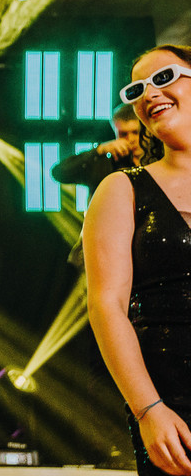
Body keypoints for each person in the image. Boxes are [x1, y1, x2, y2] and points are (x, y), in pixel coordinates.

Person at [85, 44, 191, 476]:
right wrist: (148, 409)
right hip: (175, 407)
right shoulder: (122, 189)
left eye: (163, 78)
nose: (149, 93)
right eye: (136, 89)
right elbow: (105, 306)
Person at [51, 103, 143, 190]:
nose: (130, 139)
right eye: (123, 134)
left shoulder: (151, 159)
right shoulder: (104, 164)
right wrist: (99, 150)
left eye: (136, 132)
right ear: (115, 133)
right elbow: (59, 172)